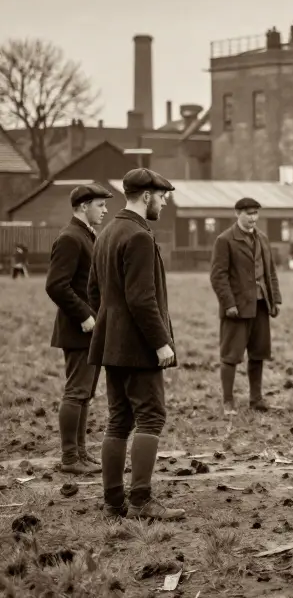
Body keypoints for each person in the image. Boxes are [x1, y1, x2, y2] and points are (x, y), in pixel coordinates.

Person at [87, 167, 184, 521]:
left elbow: (93, 292)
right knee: (151, 417)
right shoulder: (140, 236)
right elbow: (142, 299)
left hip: (111, 342)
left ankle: (113, 502)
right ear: (147, 196)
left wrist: (112, 328)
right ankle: (142, 500)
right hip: (138, 345)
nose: (165, 203)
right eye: (163, 197)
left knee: (118, 421)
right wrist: (161, 343)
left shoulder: (107, 232)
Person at [45, 183, 112, 475]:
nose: (105, 210)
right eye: (100, 205)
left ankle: (81, 454)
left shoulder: (86, 235)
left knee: (85, 393)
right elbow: (56, 285)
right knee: (76, 392)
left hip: (92, 328)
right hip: (79, 328)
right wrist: (85, 316)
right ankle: (70, 459)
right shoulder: (71, 237)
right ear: (84, 206)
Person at [210, 197, 282, 416]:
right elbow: (218, 276)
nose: (253, 218)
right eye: (249, 213)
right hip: (237, 309)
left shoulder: (262, 239)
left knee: (259, 353)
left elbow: (270, 272)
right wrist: (229, 303)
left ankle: (256, 399)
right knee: (230, 356)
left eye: (256, 213)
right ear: (237, 214)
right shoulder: (225, 240)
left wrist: (275, 299)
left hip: (261, 305)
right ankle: (228, 401)